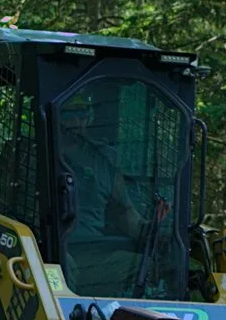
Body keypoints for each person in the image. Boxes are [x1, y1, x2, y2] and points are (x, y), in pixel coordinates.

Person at [59, 92, 155, 297]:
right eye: (68, 115)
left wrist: (154, 231)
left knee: (141, 265)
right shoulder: (30, 154)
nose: (76, 122)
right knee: (63, 265)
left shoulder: (104, 159)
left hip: (94, 254)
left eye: (82, 113)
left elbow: (123, 212)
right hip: (46, 252)